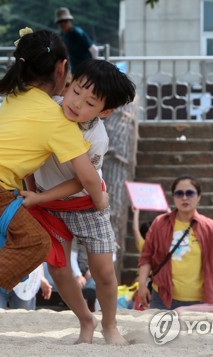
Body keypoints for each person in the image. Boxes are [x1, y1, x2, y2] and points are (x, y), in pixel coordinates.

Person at [0, 29, 108, 345]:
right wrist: (100, 199)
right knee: (35, 242)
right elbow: (88, 177)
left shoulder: (16, 94)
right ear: (61, 70)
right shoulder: (57, 120)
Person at [20, 59, 135, 345]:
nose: (76, 103)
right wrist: (33, 192)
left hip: (85, 203)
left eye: (90, 102)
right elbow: (29, 158)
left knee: (104, 271)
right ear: (69, 83)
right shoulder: (48, 109)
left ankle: (110, 325)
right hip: (47, 203)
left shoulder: (97, 137)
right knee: (58, 268)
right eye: (76, 91)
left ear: (105, 111)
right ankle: (86, 320)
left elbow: (82, 180)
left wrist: (39, 197)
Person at [137, 175, 213, 310]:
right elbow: (146, 256)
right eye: (179, 193)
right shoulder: (159, 223)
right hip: (162, 297)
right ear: (173, 197)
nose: (184, 198)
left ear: (199, 197)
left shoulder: (211, 228)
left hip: (200, 301)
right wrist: (142, 285)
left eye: (190, 193)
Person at [55, 7, 98, 73]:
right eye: (60, 22)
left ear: (70, 21)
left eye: (65, 21)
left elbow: (93, 49)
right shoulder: (63, 35)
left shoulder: (78, 33)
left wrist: (95, 66)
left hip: (87, 68)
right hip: (75, 70)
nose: (63, 24)